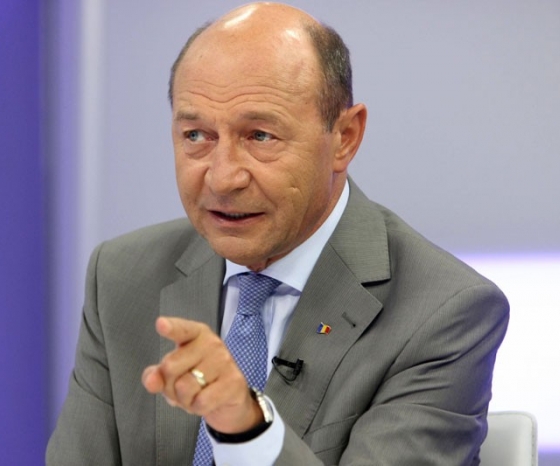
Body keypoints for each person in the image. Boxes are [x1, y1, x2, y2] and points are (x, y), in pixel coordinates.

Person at [46, 3, 509, 465]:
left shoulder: (443, 314)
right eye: (196, 136)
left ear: (345, 137)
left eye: (260, 136)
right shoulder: (123, 277)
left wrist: (248, 431)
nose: (222, 178)